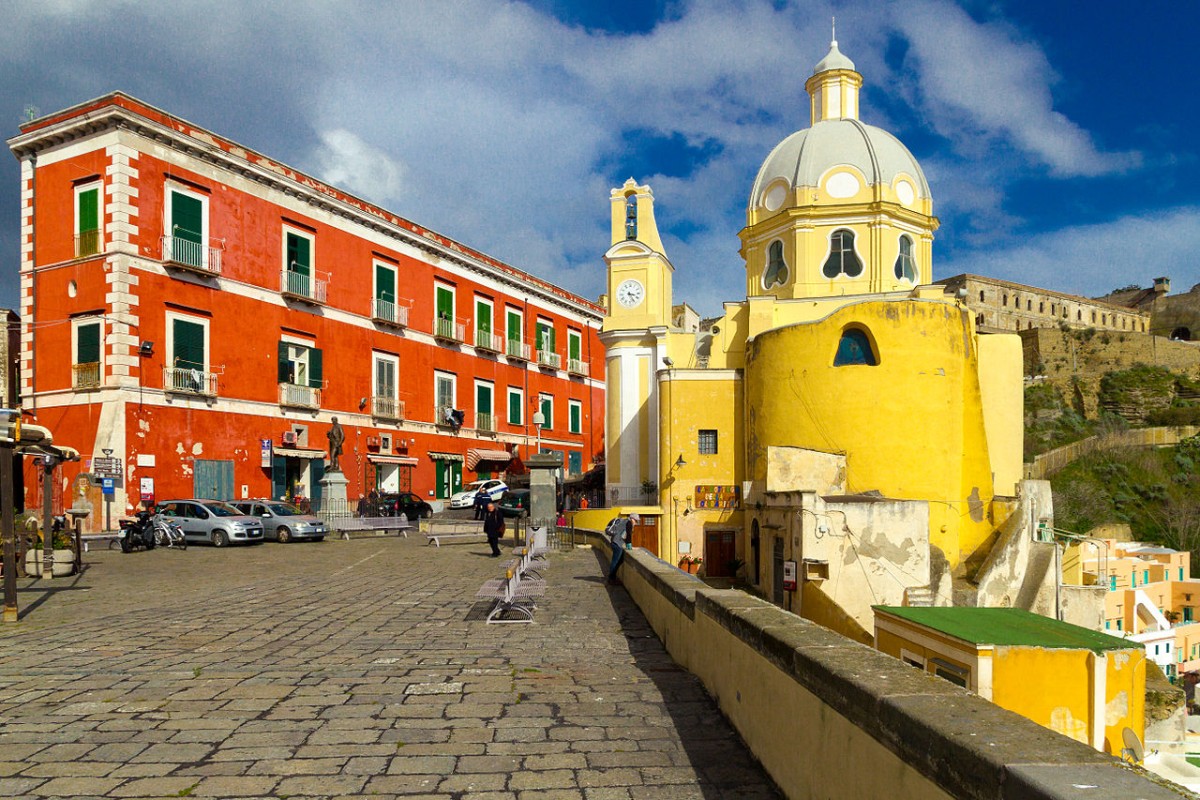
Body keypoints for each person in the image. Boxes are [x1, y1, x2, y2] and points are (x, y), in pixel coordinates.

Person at [606, 513, 639, 585]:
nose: (636, 523)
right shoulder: (629, 523)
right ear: (632, 519)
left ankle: (612, 577)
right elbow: (628, 536)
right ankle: (611, 578)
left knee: (619, 560)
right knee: (615, 562)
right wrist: (629, 547)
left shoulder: (623, 521)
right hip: (618, 544)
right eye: (636, 521)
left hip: (614, 543)